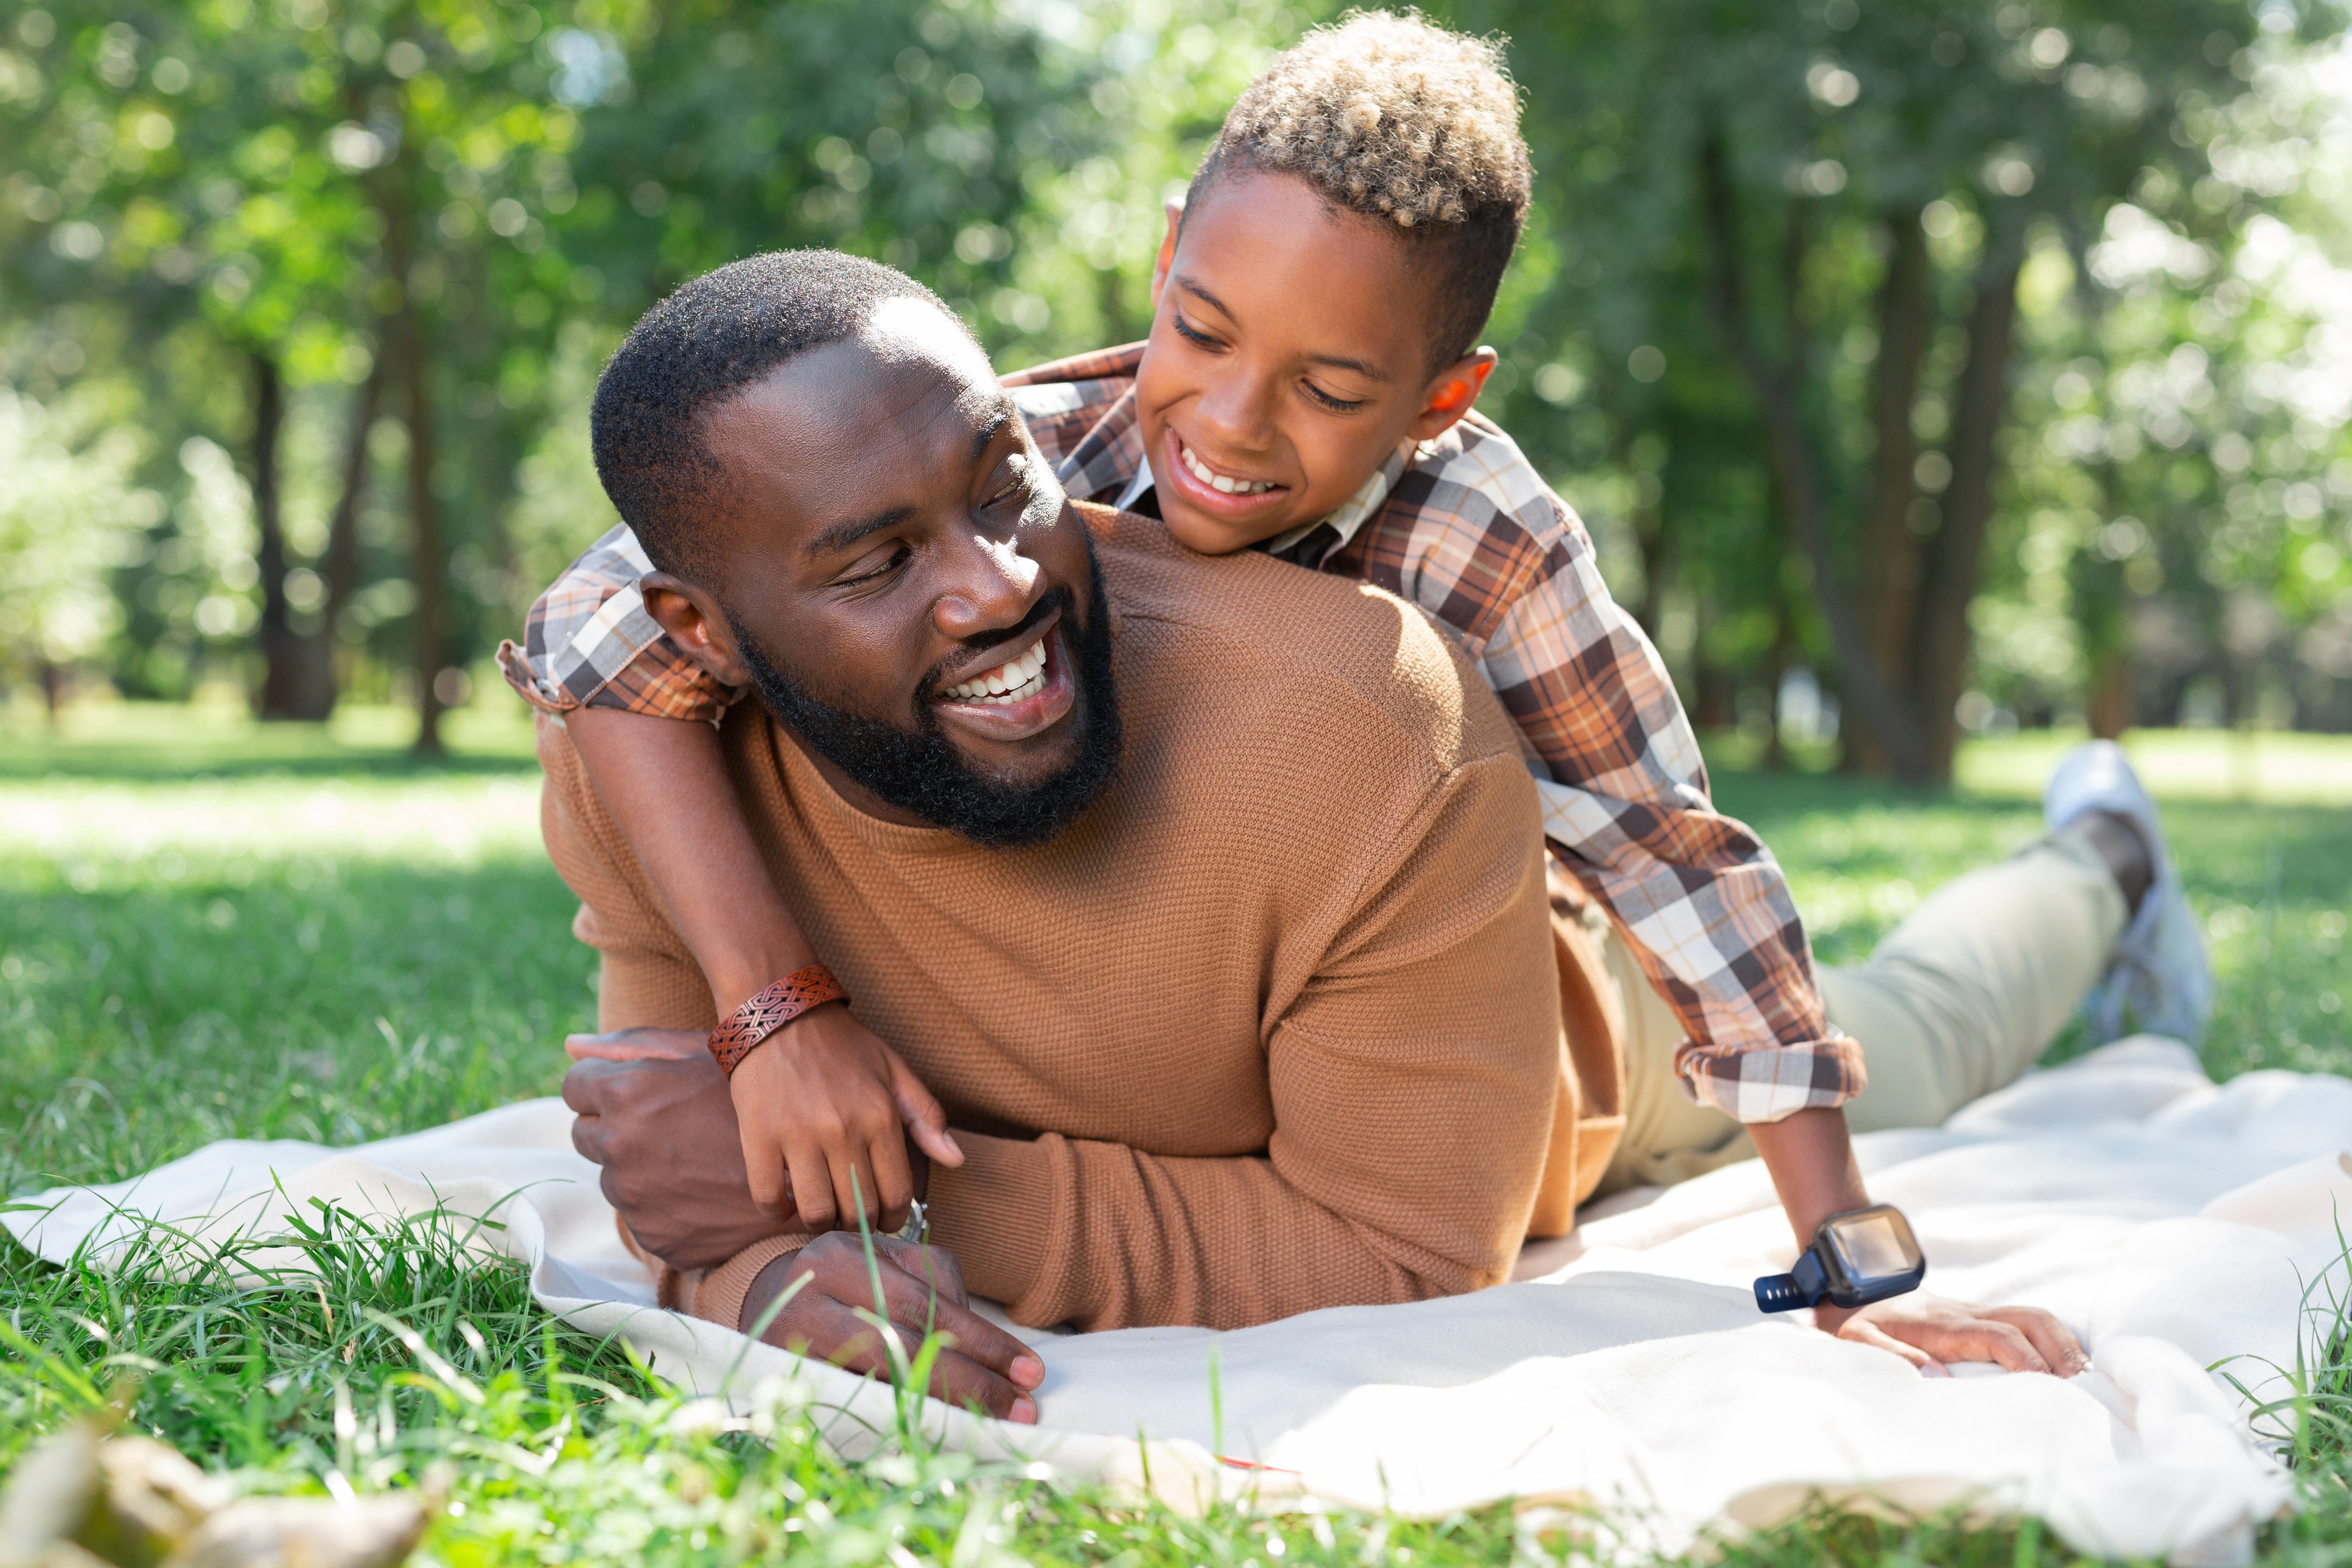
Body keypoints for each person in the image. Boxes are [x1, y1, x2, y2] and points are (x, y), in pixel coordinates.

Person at [545, 247, 2094, 1426]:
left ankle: (2100, 862)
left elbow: (1416, 1248)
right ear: (699, 630)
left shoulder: (1373, 710)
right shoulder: (644, 746)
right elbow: (686, 1166)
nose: (1000, 584)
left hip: (1555, 1032)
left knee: (1930, 1015)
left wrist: (872, 1213)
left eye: (1002, 483)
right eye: (876, 563)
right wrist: (763, 1261)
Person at [502, 13, 1887, 1278]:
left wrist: (1841, 1237)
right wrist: (777, 1007)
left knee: (1923, 1016)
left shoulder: (1486, 543)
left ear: (1439, 398)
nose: (1229, 423)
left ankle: (2031, 910)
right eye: (1204, 331)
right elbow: (599, 625)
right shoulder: (1032, 447)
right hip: (1288, 1005)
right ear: (1168, 259)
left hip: (1541, 989)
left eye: (1328, 388)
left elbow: (1668, 854)